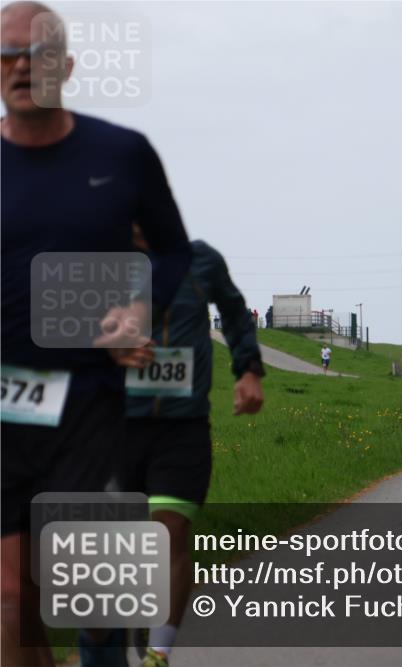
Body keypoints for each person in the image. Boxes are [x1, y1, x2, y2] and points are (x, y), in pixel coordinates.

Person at [1, 4, 192, 666]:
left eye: (40, 53)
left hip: (95, 406)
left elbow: (172, 253)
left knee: (95, 603)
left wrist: (137, 311)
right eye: (7, 54)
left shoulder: (122, 153)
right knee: (11, 597)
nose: (22, 66)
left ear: (68, 66)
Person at [113, 230, 265, 667]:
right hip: (113, 425)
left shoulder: (201, 260)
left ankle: (158, 653)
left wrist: (248, 368)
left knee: (170, 531)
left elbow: (235, 313)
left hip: (182, 427)